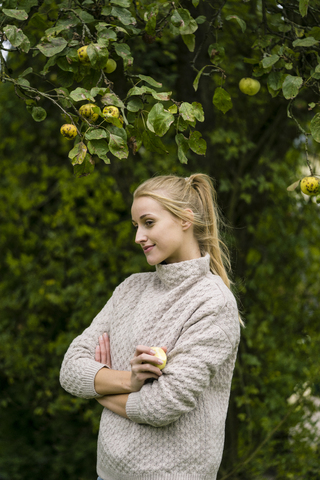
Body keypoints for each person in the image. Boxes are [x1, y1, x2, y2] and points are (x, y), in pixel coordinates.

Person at [59, 173, 241, 480]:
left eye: (149, 222)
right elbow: (70, 370)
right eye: (136, 226)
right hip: (108, 473)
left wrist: (101, 389)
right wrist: (130, 382)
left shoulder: (213, 302)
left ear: (185, 219)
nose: (138, 236)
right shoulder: (130, 289)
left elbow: (161, 406)